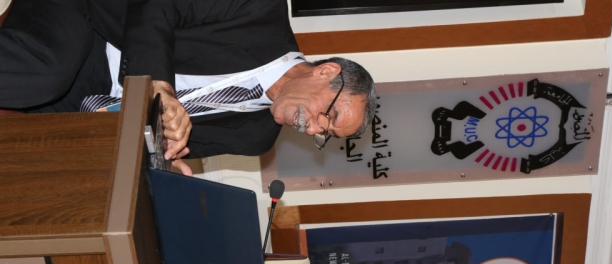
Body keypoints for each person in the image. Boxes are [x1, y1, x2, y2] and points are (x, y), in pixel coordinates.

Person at [0, 0, 377, 175]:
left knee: (58, 167)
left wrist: (166, 164)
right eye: (328, 116)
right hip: (95, 26)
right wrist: (158, 85)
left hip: (95, 108)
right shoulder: (260, 11)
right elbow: (156, 7)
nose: (312, 128)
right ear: (326, 72)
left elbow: (160, 144)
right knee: (46, 76)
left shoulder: (256, 138)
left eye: (324, 134)